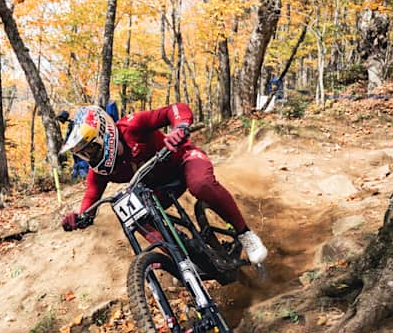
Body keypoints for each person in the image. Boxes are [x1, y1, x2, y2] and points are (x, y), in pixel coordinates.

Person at [60, 103, 267, 264]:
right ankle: (184, 259)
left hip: (182, 160)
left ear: (104, 135)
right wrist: (81, 217)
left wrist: (181, 126)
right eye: (84, 155)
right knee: (136, 217)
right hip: (159, 187)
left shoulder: (132, 126)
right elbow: (91, 196)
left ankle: (245, 234)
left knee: (200, 184)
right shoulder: (98, 170)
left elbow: (174, 109)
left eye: (90, 149)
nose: (90, 157)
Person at [57, 110, 89, 180]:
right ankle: (76, 177)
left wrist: (65, 144)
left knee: (81, 161)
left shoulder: (73, 124)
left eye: (61, 119)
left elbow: (69, 136)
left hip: (78, 146)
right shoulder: (74, 122)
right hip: (75, 146)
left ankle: (84, 176)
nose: (61, 121)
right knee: (77, 161)